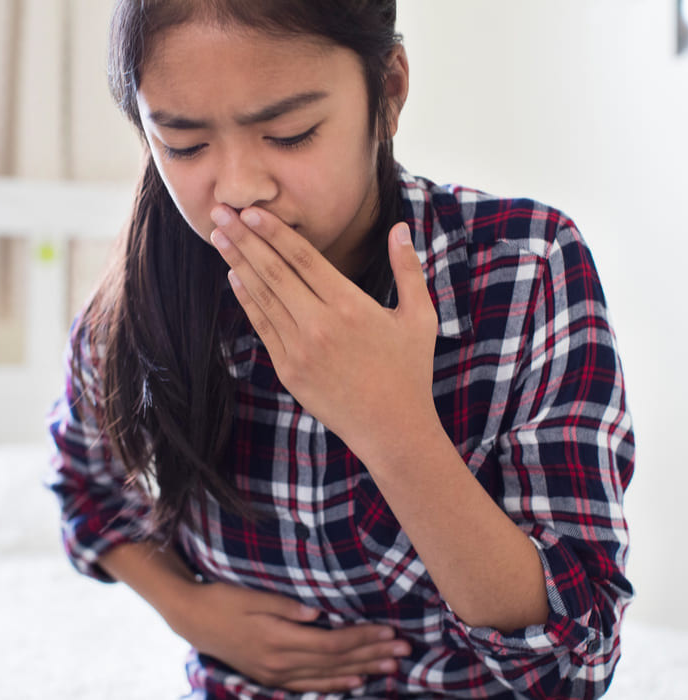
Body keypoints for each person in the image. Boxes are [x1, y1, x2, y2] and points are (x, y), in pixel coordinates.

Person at [46, 1, 635, 698]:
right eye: (184, 144)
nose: (238, 191)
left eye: (290, 135)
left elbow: (573, 664)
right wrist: (190, 611)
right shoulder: (140, 304)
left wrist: (392, 425)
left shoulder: (523, 266)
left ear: (387, 93)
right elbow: (81, 485)